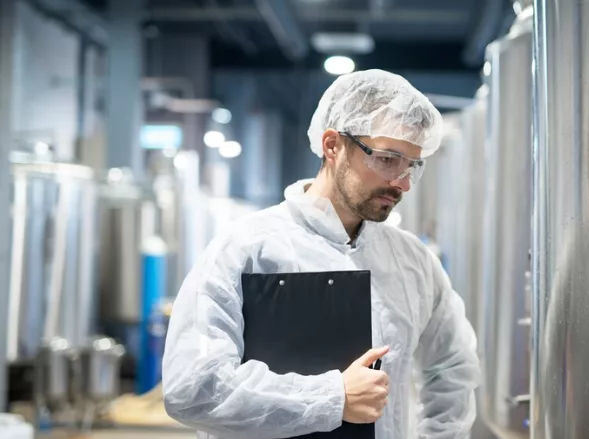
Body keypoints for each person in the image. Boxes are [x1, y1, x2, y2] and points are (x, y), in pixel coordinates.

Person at [161, 69, 481, 439]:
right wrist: (332, 398)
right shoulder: (247, 250)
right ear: (332, 146)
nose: (402, 182)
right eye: (388, 159)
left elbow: (451, 368)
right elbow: (192, 388)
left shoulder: (413, 262)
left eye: (412, 165)